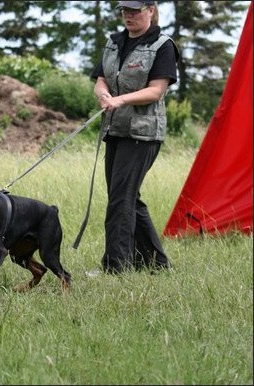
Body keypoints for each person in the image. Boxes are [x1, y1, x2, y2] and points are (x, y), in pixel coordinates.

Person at [88, 0, 179, 275]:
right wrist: (103, 94)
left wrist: (121, 100)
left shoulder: (163, 45)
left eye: (134, 10)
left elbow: (156, 91)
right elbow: (100, 78)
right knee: (127, 196)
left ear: (150, 10)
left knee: (120, 199)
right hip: (115, 130)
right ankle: (156, 262)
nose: (128, 16)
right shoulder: (114, 42)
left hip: (143, 134)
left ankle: (116, 267)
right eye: (124, 11)